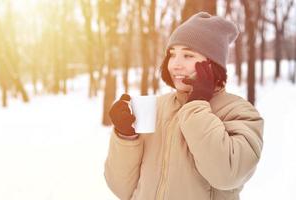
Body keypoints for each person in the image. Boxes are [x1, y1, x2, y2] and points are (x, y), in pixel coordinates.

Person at [104, 12, 264, 200]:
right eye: (172, 55)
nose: (175, 65)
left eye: (188, 55)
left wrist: (196, 105)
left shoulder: (240, 112)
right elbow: (122, 189)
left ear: (212, 64)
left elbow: (226, 175)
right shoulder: (158, 107)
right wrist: (126, 136)